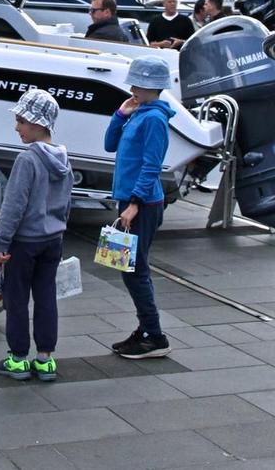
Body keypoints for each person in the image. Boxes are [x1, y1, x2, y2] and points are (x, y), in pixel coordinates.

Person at [0, 89, 73, 382]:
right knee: (46, 297)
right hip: (53, 240)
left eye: (21, 121)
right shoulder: (64, 159)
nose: (17, 127)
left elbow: (13, 206)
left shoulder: (27, 161)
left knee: (16, 300)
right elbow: (66, 203)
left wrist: (2, 242)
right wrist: (59, 229)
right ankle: (45, 359)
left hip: (24, 242)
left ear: (38, 124)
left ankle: (17, 358)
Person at [105, 55, 174, 359]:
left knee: (134, 269)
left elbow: (151, 165)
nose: (131, 87)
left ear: (149, 86)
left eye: (137, 82)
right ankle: (147, 329)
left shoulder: (155, 119)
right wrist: (120, 114)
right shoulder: (140, 113)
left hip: (142, 204)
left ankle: (153, 334)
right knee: (130, 267)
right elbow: (110, 144)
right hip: (134, 200)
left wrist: (134, 203)